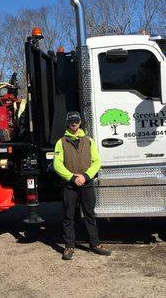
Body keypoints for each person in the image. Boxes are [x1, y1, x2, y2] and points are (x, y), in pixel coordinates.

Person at [53, 111, 111, 260]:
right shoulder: (61, 142)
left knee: (90, 215)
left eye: (76, 121)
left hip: (86, 183)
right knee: (69, 216)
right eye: (71, 121)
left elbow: (96, 162)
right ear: (67, 123)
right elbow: (57, 164)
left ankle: (95, 244)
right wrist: (72, 178)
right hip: (70, 185)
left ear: (80, 122)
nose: (74, 124)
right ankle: (69, 246)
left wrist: (85, 176)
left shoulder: (89, 141)